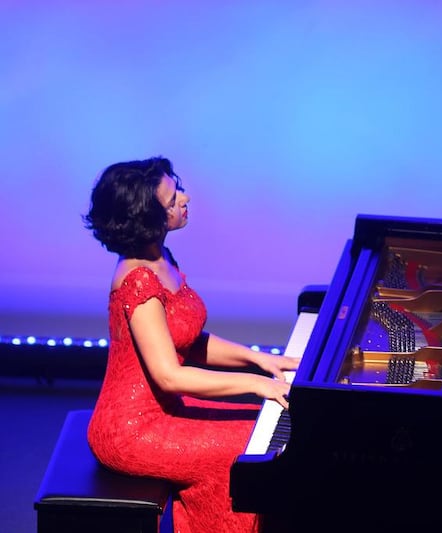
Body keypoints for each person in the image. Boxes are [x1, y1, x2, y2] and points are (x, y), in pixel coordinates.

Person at [83, 157, 297, 533]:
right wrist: (256, 384)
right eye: (171, 200)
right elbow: (169, 376)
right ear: (145, 219)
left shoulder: (161, 256)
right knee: (247, 449)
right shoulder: (138, 281)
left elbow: (188, 342)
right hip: (131, 429)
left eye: (177, 188)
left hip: (166, 407)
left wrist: (261, 360)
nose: (185, 197)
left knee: (259, 425)